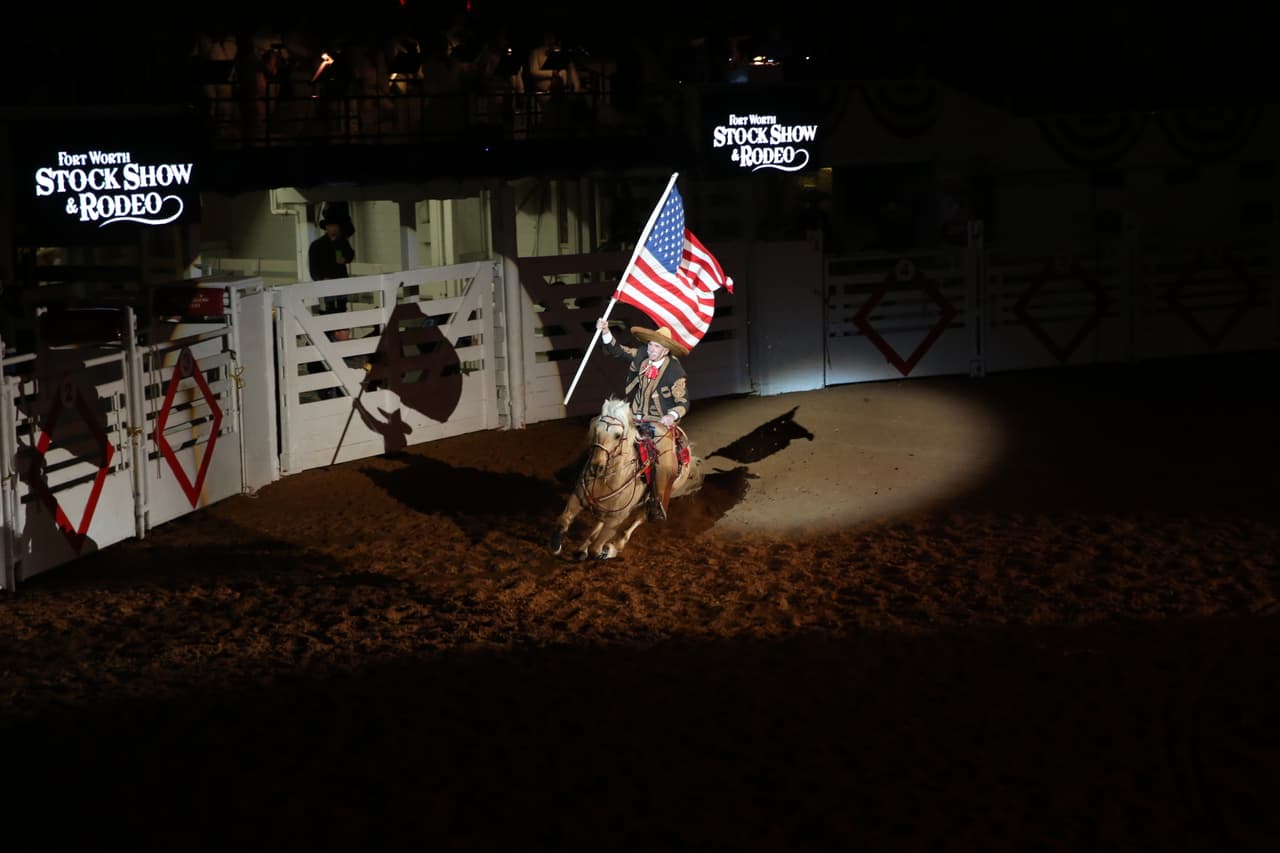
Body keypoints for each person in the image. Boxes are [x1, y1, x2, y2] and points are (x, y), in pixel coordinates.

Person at [595, 317, 689, 521]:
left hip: (658, 422)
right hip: (633, 416)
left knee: (664, 463)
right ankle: (586, 474)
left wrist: (671, 415)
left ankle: (657, 501)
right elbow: (618, 351)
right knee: (605, 432)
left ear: (665, 350)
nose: (651, 349)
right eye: (650, 344)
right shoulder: (641, 356)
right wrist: (605, 332)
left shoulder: (675, 371)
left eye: (655, 346)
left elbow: (683, 402)